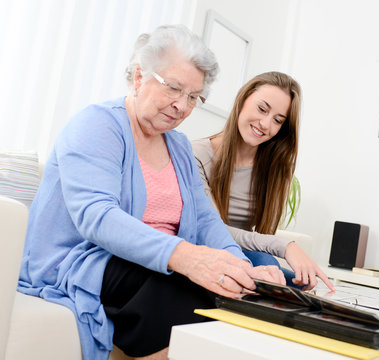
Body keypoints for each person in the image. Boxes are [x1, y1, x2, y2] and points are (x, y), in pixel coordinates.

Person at [17, 25, 284, 360]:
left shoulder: (180, 146)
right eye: (174, 88)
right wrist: (187, 257)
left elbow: (204, 218)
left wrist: (242, 267)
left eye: (193, 97)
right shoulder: (97, 125)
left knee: (237, 297)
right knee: (174, 294)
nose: (183, 105)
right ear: (140, 77)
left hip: (159, 262)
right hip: (87, 259)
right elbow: (97, 217)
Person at [191, 71, 335, 292]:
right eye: (262, 109)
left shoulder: (275, 167)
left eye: (278, 120)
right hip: (208, 252)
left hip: (248, 257)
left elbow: (258, 233)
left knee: (307, 284)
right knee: (265, 265)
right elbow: (211, 230)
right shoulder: (197, 154)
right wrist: (285, 246)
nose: (266, 124)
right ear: (243, 99)